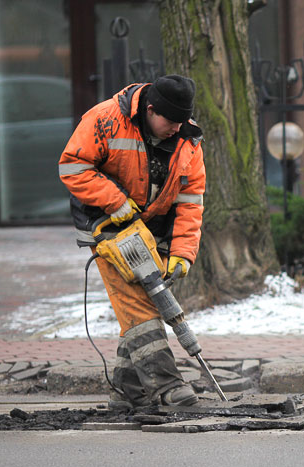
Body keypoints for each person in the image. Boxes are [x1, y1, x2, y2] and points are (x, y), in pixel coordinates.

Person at [59, 74, 206, 412]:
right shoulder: (105, 118)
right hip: (106, 226)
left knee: (148, 302)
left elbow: (190, 202)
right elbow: (71, 166)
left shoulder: (188, 138)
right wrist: (114, 201)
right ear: (151, 109)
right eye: (170, 121)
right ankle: (167, 386)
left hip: (150, 231)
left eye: (181, 122)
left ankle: (128, 390)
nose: (175, 128)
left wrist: (182, 254)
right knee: (139, 306)